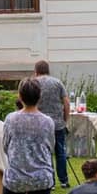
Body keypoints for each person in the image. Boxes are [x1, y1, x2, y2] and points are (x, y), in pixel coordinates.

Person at [33, 59, 70, 187]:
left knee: (45, 152)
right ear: (48, 70)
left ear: (36, 71)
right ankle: (64, 180)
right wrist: (65, 119)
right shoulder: (57, 82)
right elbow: (66, 102)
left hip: (40, 124)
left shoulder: (34, 83)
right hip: (57, 123)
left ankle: (51, 181)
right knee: (60, 152)